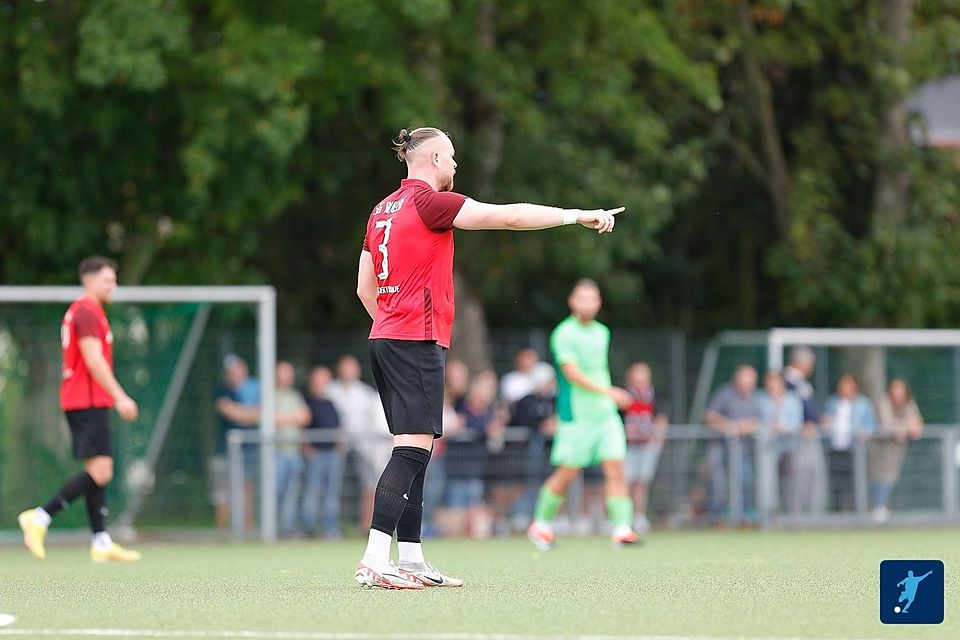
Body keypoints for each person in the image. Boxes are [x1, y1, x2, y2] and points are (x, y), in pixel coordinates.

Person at [354, 126, 623, 589]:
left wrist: (391, 322)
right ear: (434, 158)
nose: (456, 165)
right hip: (414, 340)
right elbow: (511, 217)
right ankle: (376, 557)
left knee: (416, 449)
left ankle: (413, 560)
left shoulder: (381, 210)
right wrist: (576, 215)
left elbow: (364, 288)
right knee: (412, 450)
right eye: (452, 157)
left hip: (387, 337)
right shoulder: (428, 202)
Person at [18, 256, 141, 562]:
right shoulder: (86, 310)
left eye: (114, 280)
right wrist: (120, 396)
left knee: (98, 472)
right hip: (87, 400)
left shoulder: (90, 311)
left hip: (86, 400)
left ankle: (100, 541)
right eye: (107, 280)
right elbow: (93, 358)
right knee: (102, 471)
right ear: (88, 280)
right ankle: (40, 517)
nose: (112, 285)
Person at [527, 279, 638, 551]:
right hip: (577, 417)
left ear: (599, 303)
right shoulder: (564, 333)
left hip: (605, 416)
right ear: (572, 301)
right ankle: (540, 524)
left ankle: (621, 529)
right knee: (567, 473)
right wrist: (609, 391)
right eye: (582, 298)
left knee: (616, 468)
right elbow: (572, 374)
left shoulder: (602, 332)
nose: (587, 304)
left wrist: (607, 397)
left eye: (592, 299)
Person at [327, 354, 391, 535]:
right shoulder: (331, 390)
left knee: (370, 485)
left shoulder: (365, 393)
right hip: (335, 445)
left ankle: (368, 525)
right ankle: (331, 527)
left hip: (363, 446)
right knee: (333, 486)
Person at [703, 365, 762, 525]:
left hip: (742, 449)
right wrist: (730, 426)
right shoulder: (724, 394)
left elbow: (759, 420)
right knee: (718, 482)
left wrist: (744, 426)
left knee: (745, 481)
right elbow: (710, 416)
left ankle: (745, 517)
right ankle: (717, 518)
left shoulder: (755, 397)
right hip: (720, 447)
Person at [212, 354, 260, 530]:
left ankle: (248, 529)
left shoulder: (253, 390)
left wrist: (248, 413)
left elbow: (258, 414)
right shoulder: (222, 391)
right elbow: (231, 411)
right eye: (232, 371)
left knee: (247, 489)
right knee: (223, 492)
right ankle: (223, 531)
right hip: (225, 451)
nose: (236, 374)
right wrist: (251, 413)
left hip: (248, 450)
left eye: (239, 370)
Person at [622, 362, 668, 534]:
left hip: (647, 446)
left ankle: (639, 516)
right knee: (625, 481)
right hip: (627, 446)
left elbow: (661, 417)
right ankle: (622, 517)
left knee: (642, 482)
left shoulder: (654, 396)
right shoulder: (624, 396)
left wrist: (659, 439)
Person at [869, 378, 923, 522]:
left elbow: (916, 421)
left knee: (891, 476)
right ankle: (878, 506)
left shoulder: (908, 403)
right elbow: (887, 425)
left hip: (897, 448)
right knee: (878, 476)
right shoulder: (884, 402)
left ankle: (881, 507)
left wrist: (910, 428)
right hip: (879, 448)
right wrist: (907, 429)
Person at [821, 373, 876, 513]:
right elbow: (825, 422)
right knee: (837, 484)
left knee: (856, 483)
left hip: (855, 450)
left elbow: (870, 425)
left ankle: (858, 512)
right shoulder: (832, 402)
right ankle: (839, 512)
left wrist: (864, 433)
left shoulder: (863, 403)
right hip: (836, 449)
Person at [782, 347, 827, 515]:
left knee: (813, 477)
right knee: (796, 479)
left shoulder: (802, 384)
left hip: (810, 437)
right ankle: (796, 514)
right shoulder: (786, 382)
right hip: (796, 440)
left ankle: (813, 513)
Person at [301, 365, 344, 538]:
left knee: (331, 493)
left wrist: (340, 446)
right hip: (315, 454)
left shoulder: (330, 403)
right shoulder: (306, 402)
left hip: (333, 455)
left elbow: (338, 426)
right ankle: (309, 528)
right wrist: (307, 447)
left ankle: (330, 527)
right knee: (312, 491)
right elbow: (302, 428)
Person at [756, 371, 803, 516]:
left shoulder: (792, 400)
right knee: (768, 483)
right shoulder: (762, 401)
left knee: (790, 483)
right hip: (769, 450)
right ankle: (769, 514)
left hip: (788, 448)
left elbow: (796, 424)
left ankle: (793, 514)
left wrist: (782, 428)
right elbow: (758, 422)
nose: (772, 389)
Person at [273, 361, 311, 537]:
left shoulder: (294, 395)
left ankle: (286, 530)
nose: (288, 377)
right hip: (276, 453)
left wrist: (284, 418)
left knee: (292, 494)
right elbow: (273, 420)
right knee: (275, 493)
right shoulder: (269, 395)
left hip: (294, 453)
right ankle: (271, 529)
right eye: (284, 373)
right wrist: (292, 417)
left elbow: (305, 417)